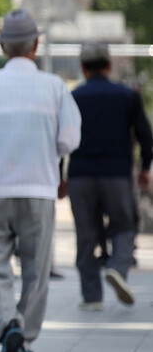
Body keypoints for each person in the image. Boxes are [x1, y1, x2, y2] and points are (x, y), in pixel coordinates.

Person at [0, 9, 81, 352]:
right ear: (36, 45)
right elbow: (70, 139)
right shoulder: (55, 86)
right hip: (39, 189)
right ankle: (24, 334)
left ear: (2, 47)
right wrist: (48, 155)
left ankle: (5, 324)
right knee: (36, 266)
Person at [65, 42, 152, 309]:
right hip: (116, 173)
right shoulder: (127, 96)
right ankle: (118, 267)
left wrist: (59, 174)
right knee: (124, 226)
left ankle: (92, 296)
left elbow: (61, 139)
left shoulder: (73, 97)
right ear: (109, 65)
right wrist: (146, 167)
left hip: (80, 175)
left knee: (86, 233)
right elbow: (145, 137)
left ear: (83, 68)